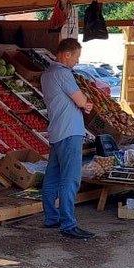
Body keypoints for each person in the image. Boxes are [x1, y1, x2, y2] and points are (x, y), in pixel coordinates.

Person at [40, 38, 94, 240]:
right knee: (70, 179)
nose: (76, 62)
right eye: (76, 57)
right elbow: (81, 101)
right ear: (67, 54)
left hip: (56, 130)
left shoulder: (47, 74)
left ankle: (51, 217)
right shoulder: (63, 73)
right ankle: (68, 223)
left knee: (52, 176)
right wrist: (85, 104)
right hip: (70, 131)